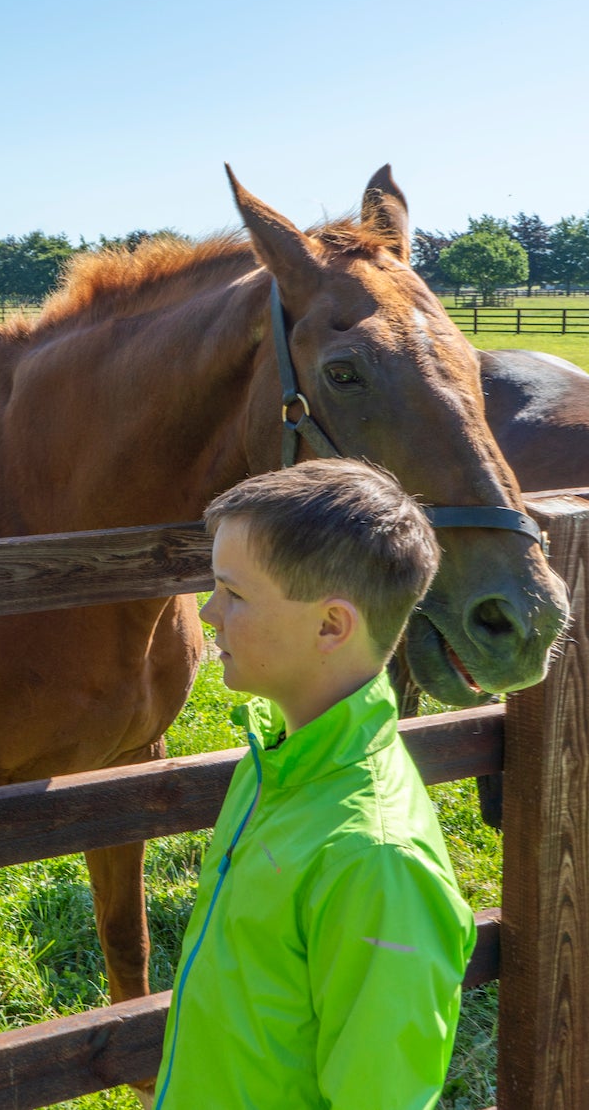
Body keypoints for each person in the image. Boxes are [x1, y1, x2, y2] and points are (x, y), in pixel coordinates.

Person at [154, 459, 476, 1110]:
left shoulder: (375, 861)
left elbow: (380, 1096)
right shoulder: (279, 754)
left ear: (330, 625)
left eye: (233, 593)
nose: (209, 612)